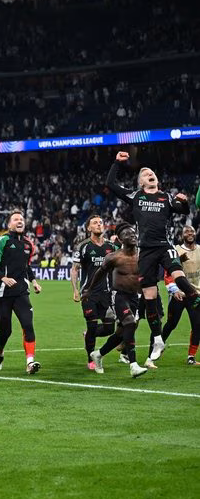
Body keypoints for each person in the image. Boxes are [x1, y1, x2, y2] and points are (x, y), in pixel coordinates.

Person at [105, 151, 199, 362]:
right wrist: (117, 163)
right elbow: (111, 184)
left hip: (164, 246)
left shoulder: (165, 197)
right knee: (149, 297)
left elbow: (182, 210)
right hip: (145, 251)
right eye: (145, 173)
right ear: (140, 182)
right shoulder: (136, 196)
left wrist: (183, 202)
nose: (150, 174)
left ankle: (197, 300)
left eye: (152, 172)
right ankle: (157, 338)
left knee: (178, 275)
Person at [82, 224, 150, 378]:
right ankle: (133, 365)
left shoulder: (143, 255)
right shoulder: (114, 257)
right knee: (130, 323)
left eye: (133, 233)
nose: (132, 236)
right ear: (120, 239)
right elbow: (100, 273)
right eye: (127, 234)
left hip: (135, 297)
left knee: (121, 333)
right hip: (118, 296)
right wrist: (89, 290)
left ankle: (98, 354)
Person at [0, 210, 42, 374]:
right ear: (9, 224)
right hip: (2, 293)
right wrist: (3, 278)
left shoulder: (28, 244)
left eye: (22, 219)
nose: (20, 221)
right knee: (6, 331)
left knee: (28, 325)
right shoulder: (1, 241)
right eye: (16, 219)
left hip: (21, 292)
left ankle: (30, 362)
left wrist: (34, 282)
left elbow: (26, 266)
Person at [72, 215, 119, 371]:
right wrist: (75, 290)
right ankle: (91, 358)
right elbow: (75, 269)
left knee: (109, 329)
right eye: (95, 223)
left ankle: (88, 335)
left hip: (107, 294)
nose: (99, 225)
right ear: (88, 228)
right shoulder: (83, 246)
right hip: (89, 294)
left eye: (100, 222)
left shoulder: (112, 247)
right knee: (92, 327)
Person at [161, 225, 200, 365]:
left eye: (192, 231)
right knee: (171, 324)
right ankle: (159, 345)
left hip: (195, 295)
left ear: (195, 234)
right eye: (186, 231)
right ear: (181, 235)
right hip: (179, 294)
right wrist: (174, 290)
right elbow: (168, 273)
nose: (190, 233)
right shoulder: (175, 250)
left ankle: (191, 356)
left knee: (197, 325)